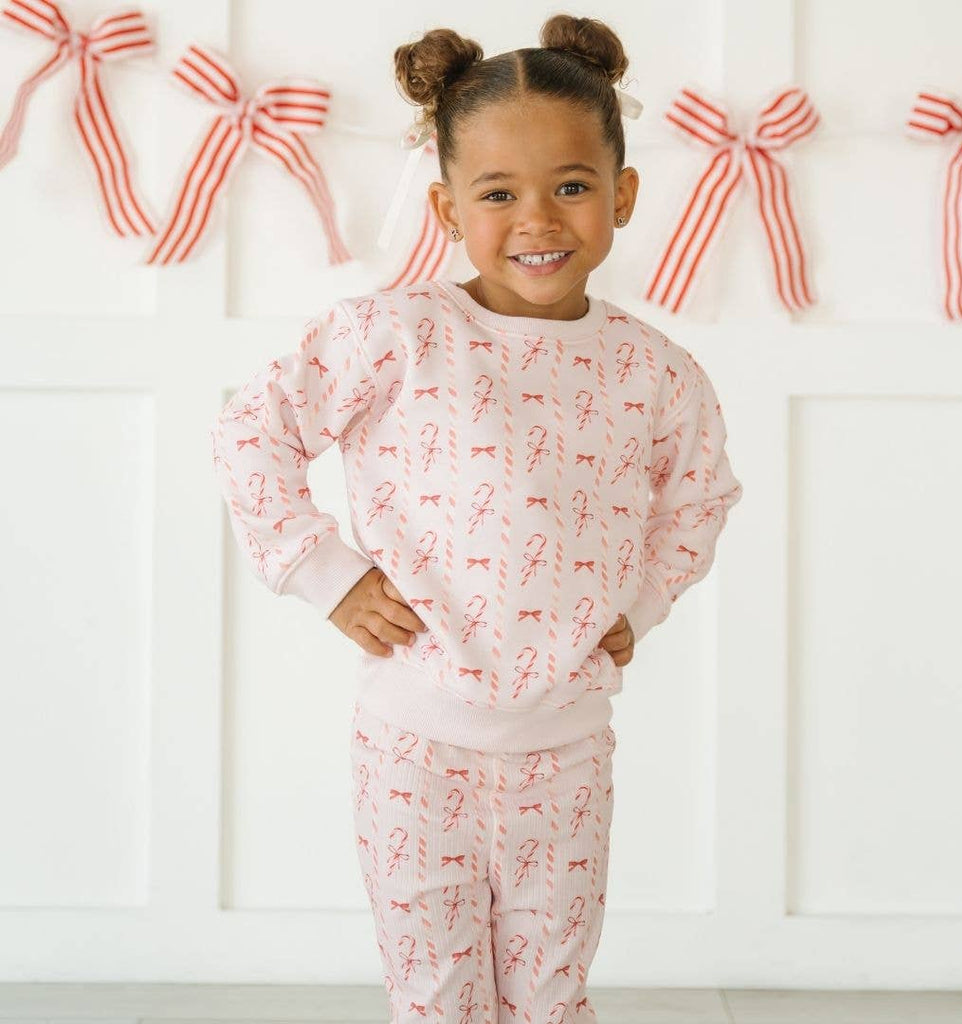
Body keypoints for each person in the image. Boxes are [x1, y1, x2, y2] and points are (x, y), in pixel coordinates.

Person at [210, 13, 743, 1022]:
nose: (537, 219)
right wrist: (322, 571)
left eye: (571, 187)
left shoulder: (652, 371)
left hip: (568, 747)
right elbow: (251, 429)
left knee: (549, 992)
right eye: (498, 194)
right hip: (415, 745)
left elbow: (701, 496)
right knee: (437, 993)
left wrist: (645, 600)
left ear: (622, 194)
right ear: (449, 206)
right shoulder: (396, 336)